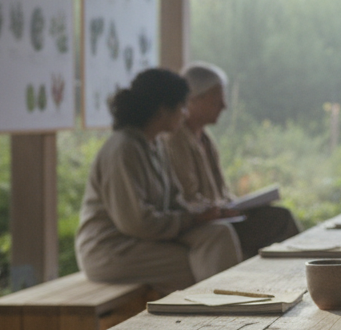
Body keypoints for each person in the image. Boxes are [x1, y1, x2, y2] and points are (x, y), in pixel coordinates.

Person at [75, 68, 242, 292]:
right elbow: (137, 223)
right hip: (112, 249)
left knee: (218, 235)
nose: (185, 114)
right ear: (163, 110)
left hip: (144, 242)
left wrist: (207, 213)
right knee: (208, 260)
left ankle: (221, 312)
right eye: (182, 106)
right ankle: (219, 318)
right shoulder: (123, 149)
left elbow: (175, 199)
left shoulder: (154, 144)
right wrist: (191, 220)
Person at [160, 63, 300, 259]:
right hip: (205, 223)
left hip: (223, 216)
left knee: (277, 215)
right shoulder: (175, 140)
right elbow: (187, 197)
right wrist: (218, 211)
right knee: (280, 220)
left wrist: (239, 206)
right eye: (217, 100)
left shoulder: (206, 138)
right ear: (194, 100)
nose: (224, 106)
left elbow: (222, 193)